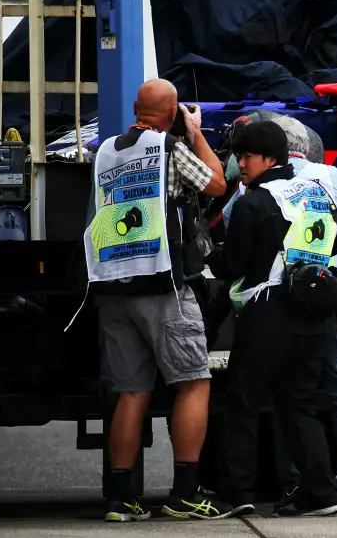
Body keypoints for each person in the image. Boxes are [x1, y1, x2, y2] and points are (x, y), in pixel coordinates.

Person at [82, 79, 229, 521]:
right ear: (172, 113)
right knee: (194, 382)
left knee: (131, 393)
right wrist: (196, 132)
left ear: (135, 108)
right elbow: (217, 183)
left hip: (113, 283)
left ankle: (120, 498)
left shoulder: (105, 150)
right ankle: (184, 493)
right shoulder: (168, 146)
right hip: (162, 282)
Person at [221, 115, 337, 512]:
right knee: (300, 403)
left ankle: (240, 494)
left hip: (267, 313)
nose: (241, 164)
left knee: (243, 402)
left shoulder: (251, 201)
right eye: (239, 156)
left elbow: (236, 265)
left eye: (249, 156)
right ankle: (322, 493)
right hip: (316, 312)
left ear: (270, 158)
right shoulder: (316, 191)